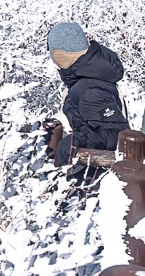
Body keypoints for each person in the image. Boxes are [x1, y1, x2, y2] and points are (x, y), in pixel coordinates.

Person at [46, 22, 130, 167]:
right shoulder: (89, 80)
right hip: (90, 173)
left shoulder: (90, 89)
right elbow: (87, 117)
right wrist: (61, 122)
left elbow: (117, 136)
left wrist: (76, 141)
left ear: (60, 54)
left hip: (95, 180)